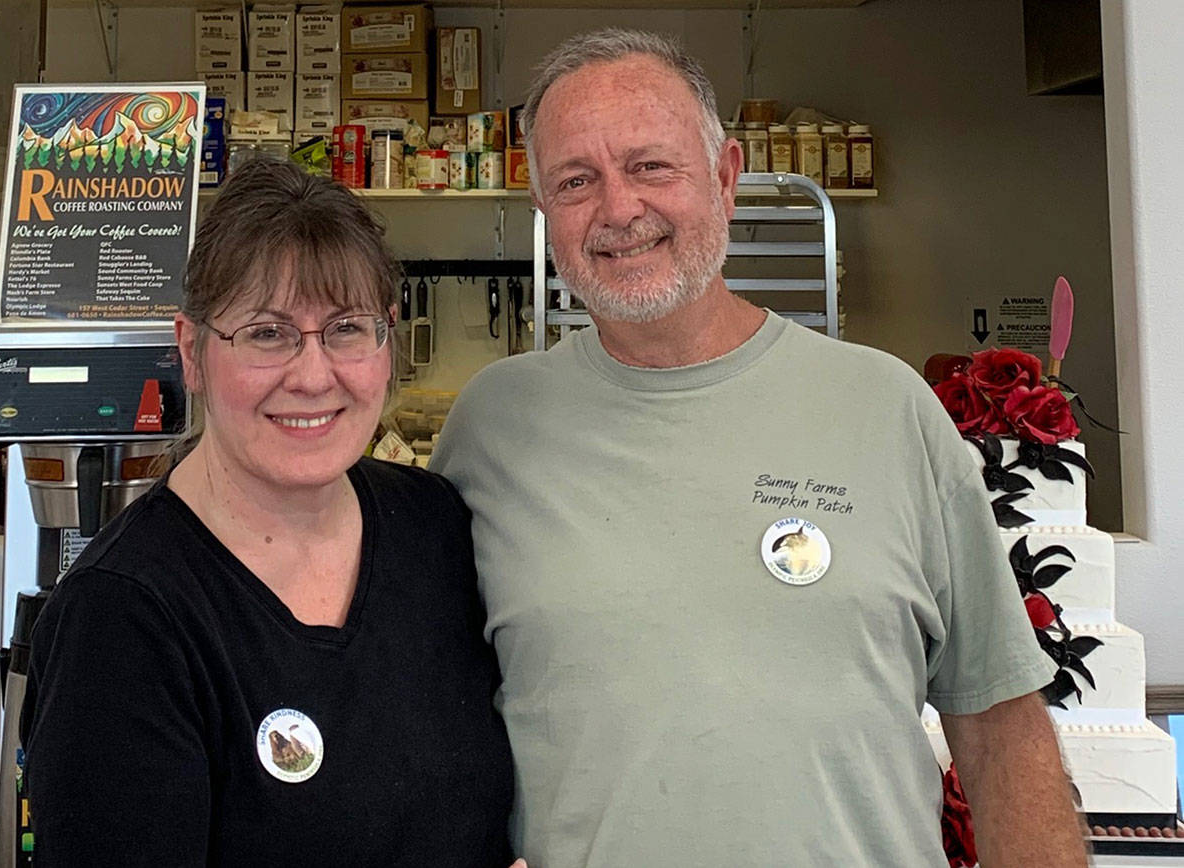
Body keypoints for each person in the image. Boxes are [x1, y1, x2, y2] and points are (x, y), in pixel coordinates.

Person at [430, 29, 1088, 866]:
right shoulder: (492, 427)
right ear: (543, 209)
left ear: (727, 176)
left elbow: (1000, 731)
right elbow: (432, 726)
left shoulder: (886, 410)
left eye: (650, 166)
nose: (619, 208)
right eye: (576, 180)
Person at [21, 158, 517, 866]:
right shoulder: (122, 619)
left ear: (389, 337)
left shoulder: (434, 527)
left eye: (347, 328)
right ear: (191, 351)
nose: (313, 376)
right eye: (266, 333)